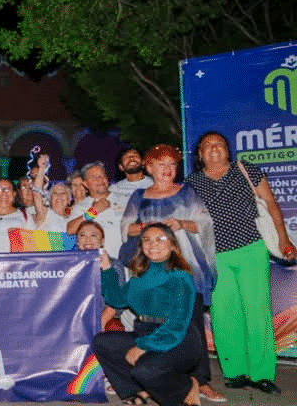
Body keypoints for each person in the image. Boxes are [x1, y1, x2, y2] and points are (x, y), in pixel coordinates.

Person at [186, 131, 296, 395]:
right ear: (200, 154)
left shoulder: (245, 170)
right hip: (215, 256)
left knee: (257, 311)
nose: (214, 148)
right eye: (207, 145)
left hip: (251, 250)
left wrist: (283, 238)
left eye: (219, 144)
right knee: (224, 314)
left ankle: (262, 373)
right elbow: (189, 221)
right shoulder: (192, 183)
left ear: (228, 150)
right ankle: (234, 371)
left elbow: (271, 203)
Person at [120, 144, 222, 402]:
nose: (167, 169)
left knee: (192, 325)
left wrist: (181, 223)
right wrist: (148, 227)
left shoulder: (187, 191)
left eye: (172, 164)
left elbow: (205, 223)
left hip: (186, 267)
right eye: (161, 164)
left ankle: (200, 381)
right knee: (157, 324)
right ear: (149, 168)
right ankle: (163, 378)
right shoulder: (139, 196)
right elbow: (127, 228)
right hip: (153, 272)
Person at [92, 224, 202, 406]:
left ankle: (186, 387)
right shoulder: (140, 275)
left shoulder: (180, 277)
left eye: (160, 239)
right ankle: (138, 391)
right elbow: (117, 300)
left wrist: (142, 346)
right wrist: (107, 269)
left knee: (145, 370)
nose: (153, 244)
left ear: (172, 244)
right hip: (145, 330)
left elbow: (177, 323)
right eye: (147, 240)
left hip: (178, 339)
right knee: (102, 342)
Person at [67, 162, 124, 262]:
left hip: (122, 262)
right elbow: (70, 229)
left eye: (102, 176)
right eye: (94, 177)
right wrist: (93, 211)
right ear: (85, 184)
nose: (100, 180)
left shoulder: (124, 199)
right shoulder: (81, 206)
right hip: (93, 264)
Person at [31, 154, 70, 231]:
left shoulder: (73, 219)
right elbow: (37, 194)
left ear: (69, 199)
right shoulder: (46, 214)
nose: (59, 196)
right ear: (50, 199)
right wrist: (42, 168)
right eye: (55, 193)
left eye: (63, 193)